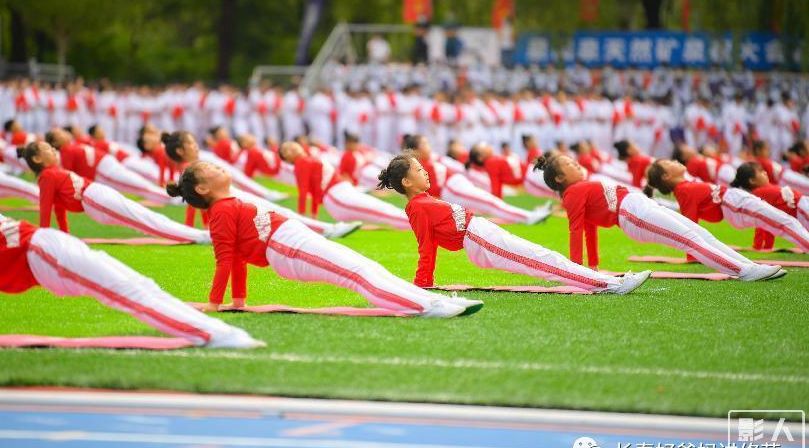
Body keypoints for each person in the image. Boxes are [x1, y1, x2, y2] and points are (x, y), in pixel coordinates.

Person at [0, 184, 261, 348]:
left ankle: (220, 331)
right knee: (127, 294)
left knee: (141, 287)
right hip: (45, 258)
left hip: (50, 247)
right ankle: (217, 337)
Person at [166, 162, 480, 317]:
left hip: (291, 239)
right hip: (286, 249)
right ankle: (427, 307)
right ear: (204, 189)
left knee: (365, 265)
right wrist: (217, 302)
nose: (218, 167)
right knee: (359, 275)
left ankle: (433, 301)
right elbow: (227, 258)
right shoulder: (219, 213)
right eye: (210, 169)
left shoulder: (227, 204)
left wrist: (238, 302)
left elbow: (235, 255)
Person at [377, 153, 650, 292]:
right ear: (406, 182)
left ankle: (606, 281)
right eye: (418, 170)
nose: (425, 171)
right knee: (542, 260)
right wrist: (423, 283)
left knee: (544, 257)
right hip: (478, 240)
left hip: (480, 234)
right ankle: (612, 285)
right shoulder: (417, 207)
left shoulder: (424, 200)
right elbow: (426, 245)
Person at [534, 153, 784, 282]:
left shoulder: (580, 187)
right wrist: (580, 269)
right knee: (689, 239)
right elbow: (578, 230)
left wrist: (594, 265)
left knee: (700, 234)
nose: (576, 164)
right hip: (632, 214)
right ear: (559, 179)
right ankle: (742, 271)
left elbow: (591, 229)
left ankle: (750, 266)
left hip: (638, 206)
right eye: (569, 164)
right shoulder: (572, 193)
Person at [163, 131, 359, 238]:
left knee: (279, 215)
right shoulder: (191, 170)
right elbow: (194, 201)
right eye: (191, 143)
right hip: (234, 200)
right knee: (279, 215)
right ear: (181, 151)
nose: (196, 145)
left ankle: (325, 229)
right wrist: (193, 230)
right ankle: (327, 230)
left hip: (234, 196)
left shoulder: (196, 164)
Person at [19, 141, 210, 244]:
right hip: (94, 200)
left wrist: (65, 236)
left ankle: (198, 235)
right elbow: (47, 208)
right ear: (37, 158)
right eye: (47, 149)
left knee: (145, 217)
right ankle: (199, 236)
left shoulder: (53, 172)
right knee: (145, 221)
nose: (53, 150)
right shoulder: (46, 176)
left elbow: (58, 207)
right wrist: (43, 237)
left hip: (96, 195)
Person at [643, 159, 809, 253]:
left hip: (733, 201)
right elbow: (690, 227)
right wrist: (694, 255)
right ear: (666, 176)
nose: (674, 161)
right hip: (732, 204)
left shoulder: (687, 185)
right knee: (784, 222)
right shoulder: (683, 191)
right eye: (669, 162)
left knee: (784, 222)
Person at [405, 134, 550, 225]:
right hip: (452, 188)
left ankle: (527, 216)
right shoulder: (417, 166)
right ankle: (529, 217)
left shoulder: (433, 158)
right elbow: (421, 191)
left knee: (488, 204)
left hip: (457, 184)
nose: (428, 146)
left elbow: (459, 167)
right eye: (424, 143)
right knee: (490, 203)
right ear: (416, 150)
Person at [279, 140, 411, 230]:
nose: (291, 147)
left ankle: (421, 220)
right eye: (286, 151)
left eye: (290, 145)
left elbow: (314, 191)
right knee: (383, 212)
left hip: (342, 192)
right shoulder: (301, 163)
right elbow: (304, 192)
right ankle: (420, 223)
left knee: (383, 208)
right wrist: (305, 219)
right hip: (336, 197)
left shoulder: (309, 158)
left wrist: (313, 216)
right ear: (287, 160)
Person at [46, 127, 174, 204]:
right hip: (102, 171)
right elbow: (69, 174)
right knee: (139, 186)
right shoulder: (65, 151)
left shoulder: (72, 146)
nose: (64, 133)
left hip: (107, 164)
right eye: (60, 134)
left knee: (139, 183)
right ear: (56, 141)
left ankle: (170, 195)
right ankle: (172, 198)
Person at [730, 161, 809, 250]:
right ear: (752, 180)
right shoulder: (759, 193)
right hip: (801, 208)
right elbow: (763, 224)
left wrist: (763, 247)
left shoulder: (764, 190)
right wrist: (760, 247)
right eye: (760, 172)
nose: (765, 173)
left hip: (802, 207)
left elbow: (766, 224)